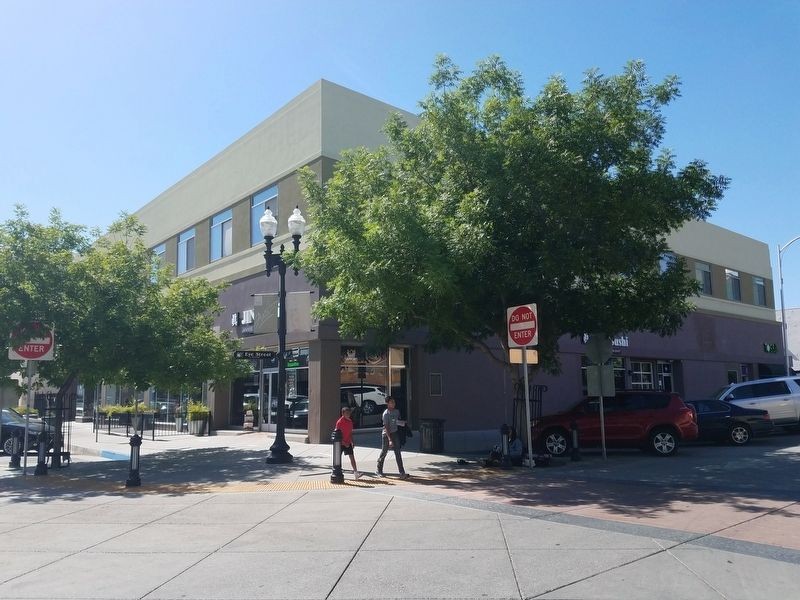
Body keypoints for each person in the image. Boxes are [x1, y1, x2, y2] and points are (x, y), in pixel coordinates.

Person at [376, 396, 409, 479]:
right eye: (391, 402)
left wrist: (402, 423)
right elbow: (386, 427)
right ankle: (379, 470)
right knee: (384, 452)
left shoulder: (397, 412)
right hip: (386, 435)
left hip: (395, 433)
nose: (393, 403)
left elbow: (397, 421)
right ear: (387, 404)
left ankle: (402, 472)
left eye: (394, 402)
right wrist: (390, 439)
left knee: (398, 452)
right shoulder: (386, 414)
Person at [335, 406, 361, 480]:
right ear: (342, 413)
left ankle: (356, 473)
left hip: (348, 442)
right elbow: (337, 435)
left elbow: (350, 433)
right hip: (340, 444)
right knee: (337, 459)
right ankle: (337, 471)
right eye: (347, 413)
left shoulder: (350, 421)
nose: (348, 414)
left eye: (349, 413)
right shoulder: (339, 422)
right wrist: (343, 442)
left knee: (352, 457)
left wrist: (352, 441)